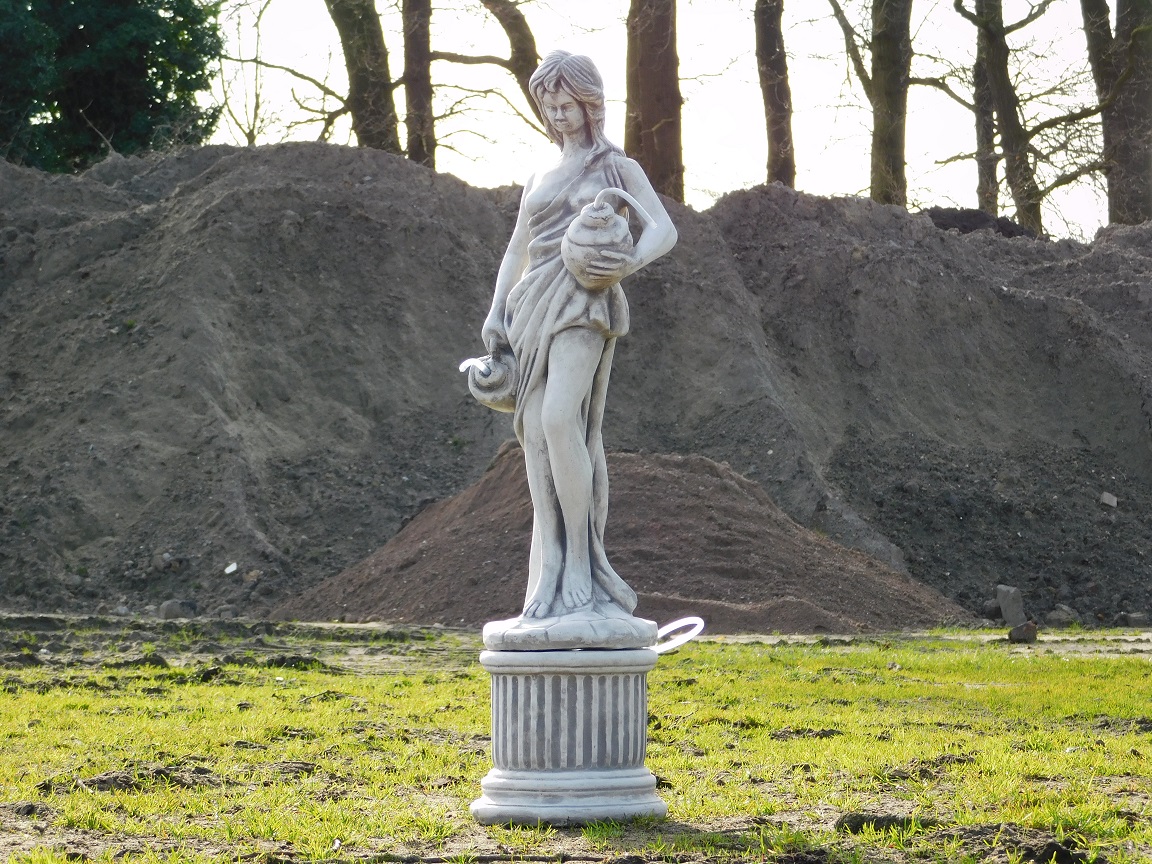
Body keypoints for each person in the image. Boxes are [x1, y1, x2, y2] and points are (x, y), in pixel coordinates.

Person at [481, 50, 678, 621]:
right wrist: (495, 312)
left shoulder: (617, 167)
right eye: (549, 106)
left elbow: (664, 229)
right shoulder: (540, 175)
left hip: (584, 303)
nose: (558, 115)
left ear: (590, 104)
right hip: (530, 305)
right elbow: (517, 250)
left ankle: (581, 564)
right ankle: (551, 563)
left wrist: (620, 265)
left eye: (567, 104)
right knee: (535, 435)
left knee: (560, 418)